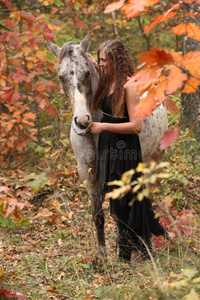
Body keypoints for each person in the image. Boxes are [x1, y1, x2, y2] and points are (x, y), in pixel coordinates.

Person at [88, 40, 169, 262]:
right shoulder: (108, 81)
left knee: (126, 200)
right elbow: (94, 70)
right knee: (117, 201)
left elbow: (136, 126)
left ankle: (129, 254)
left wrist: (104, 126)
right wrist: (91, 62)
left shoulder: (129, 86)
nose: (102, 64)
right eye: (100, 60)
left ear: (116, 60)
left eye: (105, 60)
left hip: (124, 147)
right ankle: (138, 249)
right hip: (108, 146)